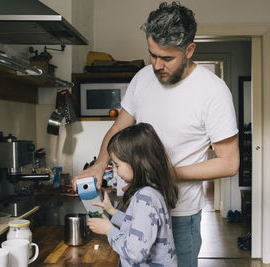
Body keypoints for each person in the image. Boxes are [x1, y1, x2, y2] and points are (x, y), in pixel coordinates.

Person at [74, 2, 239, 266]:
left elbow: (229, 163)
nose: (157, 65)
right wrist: (98, 165)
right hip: (134, 207)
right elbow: (119, 129)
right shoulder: (142, 78)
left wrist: (162, 174)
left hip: (181, 215)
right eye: (153, 55)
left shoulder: (213, 92)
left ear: (189, 50)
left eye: (167, 58)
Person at [87, 123, 178, 267]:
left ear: (137, 163)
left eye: (117, 165)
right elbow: (140, 226)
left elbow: (135, 252)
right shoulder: (152, 190)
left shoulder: (145, 197)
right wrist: (112, 211)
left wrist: (108, 230)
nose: (115, 171)